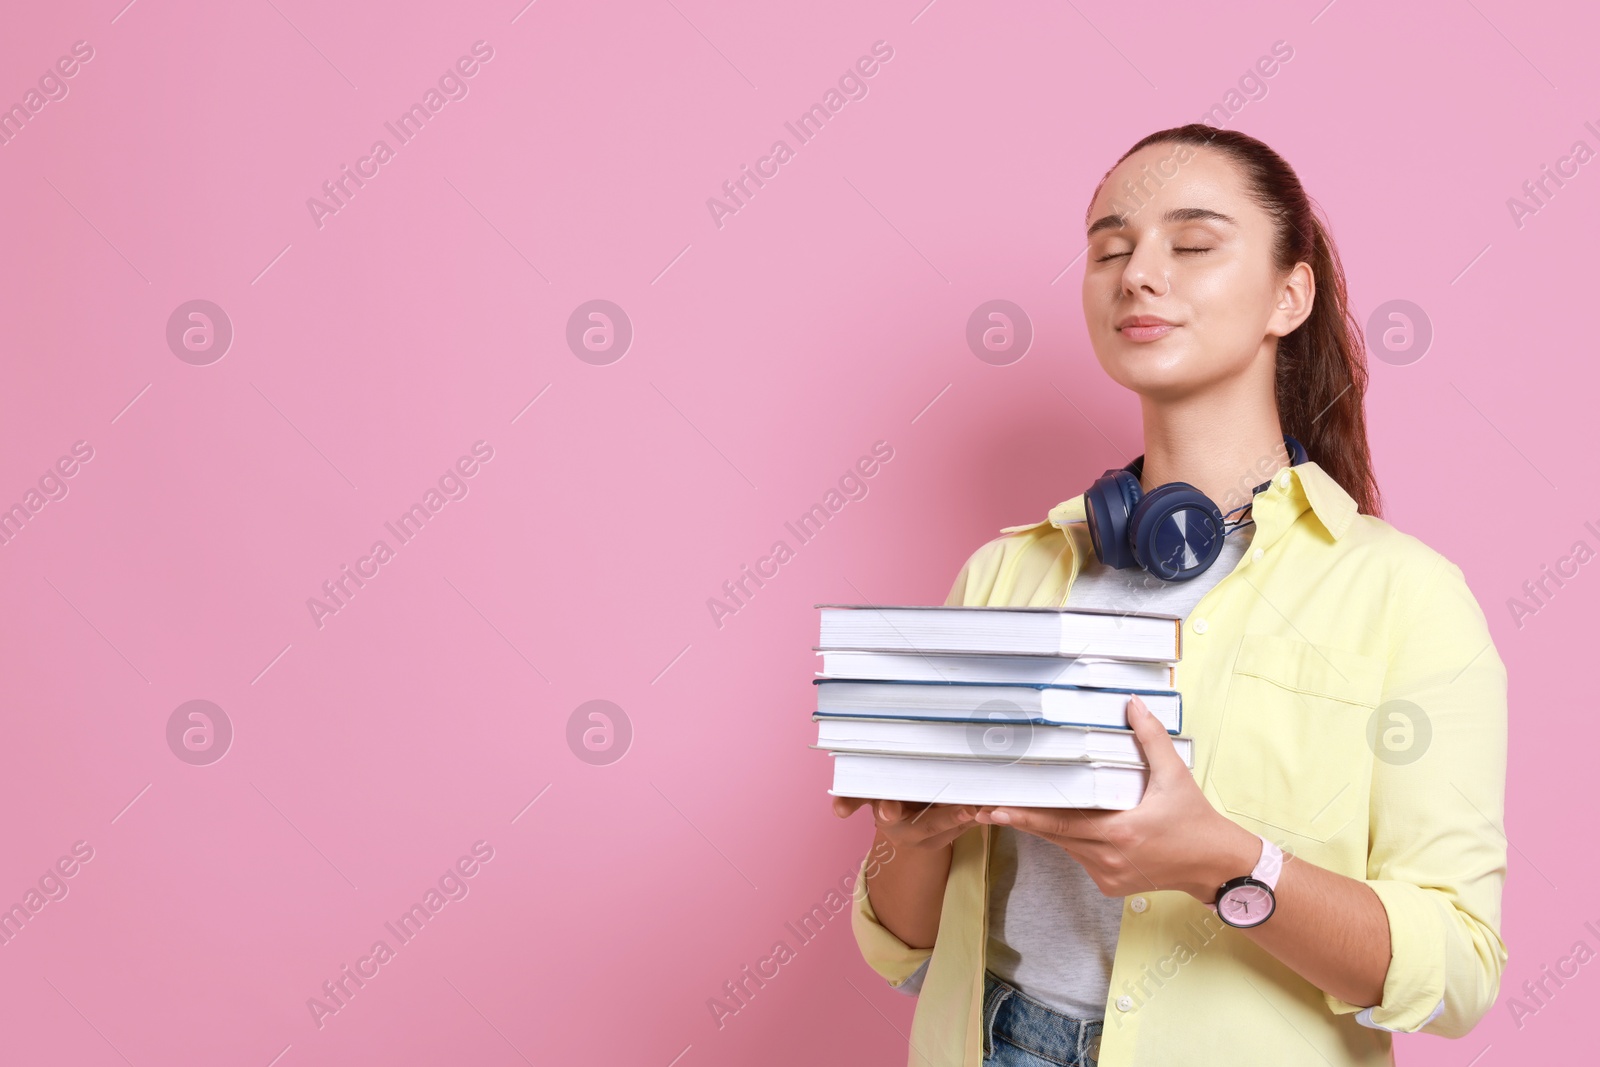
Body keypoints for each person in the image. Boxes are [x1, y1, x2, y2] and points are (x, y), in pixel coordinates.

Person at [831, 124, 1508, 1067]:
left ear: (1290, 294)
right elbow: (902, 947)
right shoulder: (1004, 576)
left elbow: (1459, 971)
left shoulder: (1409, 598)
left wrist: (1225, 861)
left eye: (1191, 245)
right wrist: (911, 836)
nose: (1138, 275)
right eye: (1110, 248)